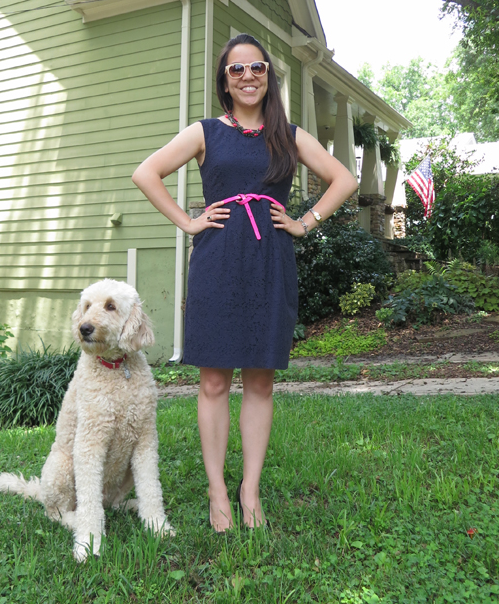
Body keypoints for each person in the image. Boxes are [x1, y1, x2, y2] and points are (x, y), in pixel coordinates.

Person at [132, 33, 358, 532]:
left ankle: (248, 489)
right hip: (217, 259)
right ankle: (218, 491)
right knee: (213, 380)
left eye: (257, 68)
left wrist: (305, 221)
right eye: (237, 70)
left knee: (260, 378)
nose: (248, 77)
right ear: (225, 82)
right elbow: (146, 173)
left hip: (269, 260)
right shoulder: (205, 131)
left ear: (268, 77)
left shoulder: (289, 134)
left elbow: (345, 179)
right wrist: (188, 222)